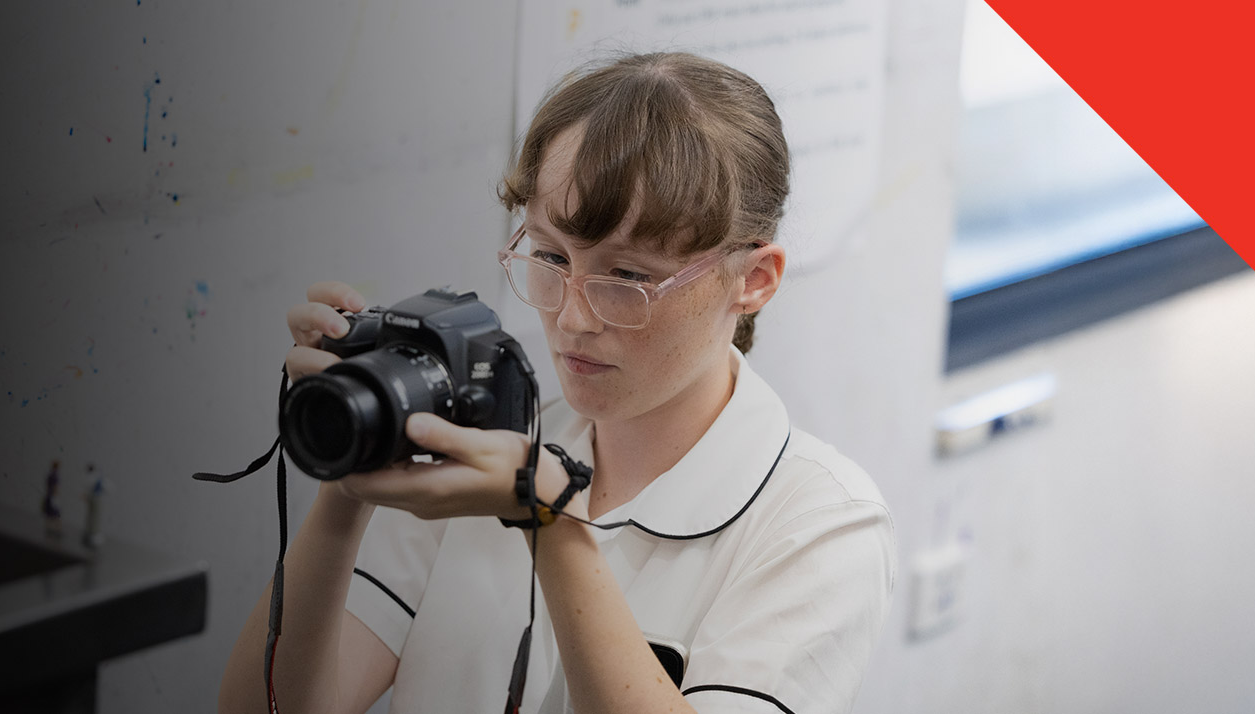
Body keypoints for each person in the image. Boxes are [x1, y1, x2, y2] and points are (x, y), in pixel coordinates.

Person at [217, 51, 895, 714]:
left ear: (753, 280)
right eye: (550, 256)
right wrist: (346, 480)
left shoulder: (820, 524)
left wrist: (551, 524)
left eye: (627, 276)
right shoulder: (476, 450)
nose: (571, 318)